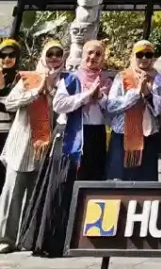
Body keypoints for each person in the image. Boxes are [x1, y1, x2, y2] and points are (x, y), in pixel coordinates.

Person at [20, 40, 112, 258]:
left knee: (91, 187)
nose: (93, 58)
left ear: (103, 57)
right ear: (82, 55)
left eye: (98, 54)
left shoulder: (106, 80)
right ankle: (54, 242)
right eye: (90, 53)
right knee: (63, 186)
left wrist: (101, 97)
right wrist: (85, 96)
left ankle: (86, 241)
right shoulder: (70, 78)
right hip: (71, 137)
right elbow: (59, 105)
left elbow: (111, 112)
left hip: (96, 137)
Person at [0, 40, 64, 254]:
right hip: (22, 146)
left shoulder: (65, 81)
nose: (54, 57)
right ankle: (5, 239)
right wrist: (37, 91)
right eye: (50, 53)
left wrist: (52, 92)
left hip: (46, 148)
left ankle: (27, 240)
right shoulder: (28, 78)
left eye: (58, 54)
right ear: (43, 56)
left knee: (35, 196)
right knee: (12, 194)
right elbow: (9, 103)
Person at [105, 40, 161, 181]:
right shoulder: (122, 76)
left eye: (148, 54)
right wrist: (135, 93)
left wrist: (146, 93)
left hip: (149, 137)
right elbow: (112, 105)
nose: (144, 58)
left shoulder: (159, 78)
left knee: (145, 183)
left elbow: (160, 107)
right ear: (133, 56)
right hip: (123, 136)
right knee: (119, 180)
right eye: (140, 54)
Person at [0, 40, 21, 193]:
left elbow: (15, 106)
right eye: (2, 55)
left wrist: (1, 89)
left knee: (4, 174)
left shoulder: (21, 79)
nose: (6, 59)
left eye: (11, 55)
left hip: (10, 133)